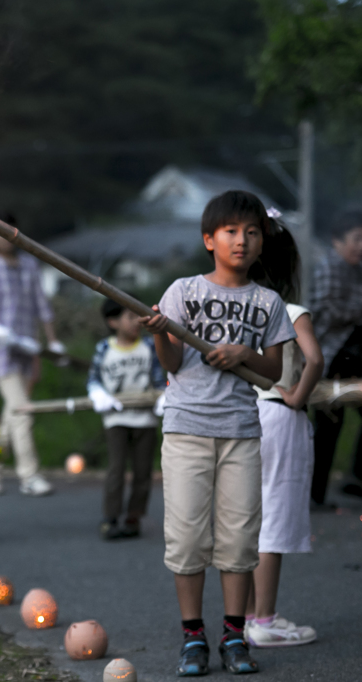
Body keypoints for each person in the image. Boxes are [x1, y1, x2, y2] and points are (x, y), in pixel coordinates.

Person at [142, 190, 296, 676]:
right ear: (209, 239)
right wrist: (157, 332)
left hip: (241, 433)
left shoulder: (267, 302)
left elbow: (273, 373)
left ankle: (234, 634)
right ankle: (193, 636)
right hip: (186, 429)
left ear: (262, 241)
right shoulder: (183, 292)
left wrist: (242, 354)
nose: (242, 241)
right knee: (186, 539)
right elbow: (171, 363)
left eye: (252, 232)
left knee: (238, 538)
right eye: (231, 231)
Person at [243, 221, 324, 648]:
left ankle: (244, 617)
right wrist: (297, 397)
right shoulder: (291, 312)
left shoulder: (242, 310)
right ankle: (265, 620)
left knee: (247, 519)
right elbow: (314, 358)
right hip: (277, 415)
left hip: (241, 417)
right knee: (272, 519)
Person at [0, 215, 65, 497]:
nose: (2, 237)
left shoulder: (29, 265)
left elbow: (42, 306)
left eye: (7, 231)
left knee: (14, 411)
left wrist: (54, 341)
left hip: (28, 348)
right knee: (22, 410)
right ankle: (29, 475)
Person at [309, 209, 362, 505]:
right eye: (356, 239)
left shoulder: (356, 269)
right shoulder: (329, 267)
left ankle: (354, 477)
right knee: (328, 427)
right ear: (337, 241)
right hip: (330, 359)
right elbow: (329, 314)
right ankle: (314, 495)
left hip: (356, 360)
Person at [87, 298, 165, 541]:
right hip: (116, 418)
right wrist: (98, 394)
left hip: (145, 418)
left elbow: (160, 377)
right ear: (113, 321)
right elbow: (94, 379)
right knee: (116, 469)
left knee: (143, 471)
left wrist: (163, 396)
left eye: (138, 316)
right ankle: (110, 518)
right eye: (130, 317)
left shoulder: (149, 347)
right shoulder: (104, 348)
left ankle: (134, 516)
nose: (136, 322)